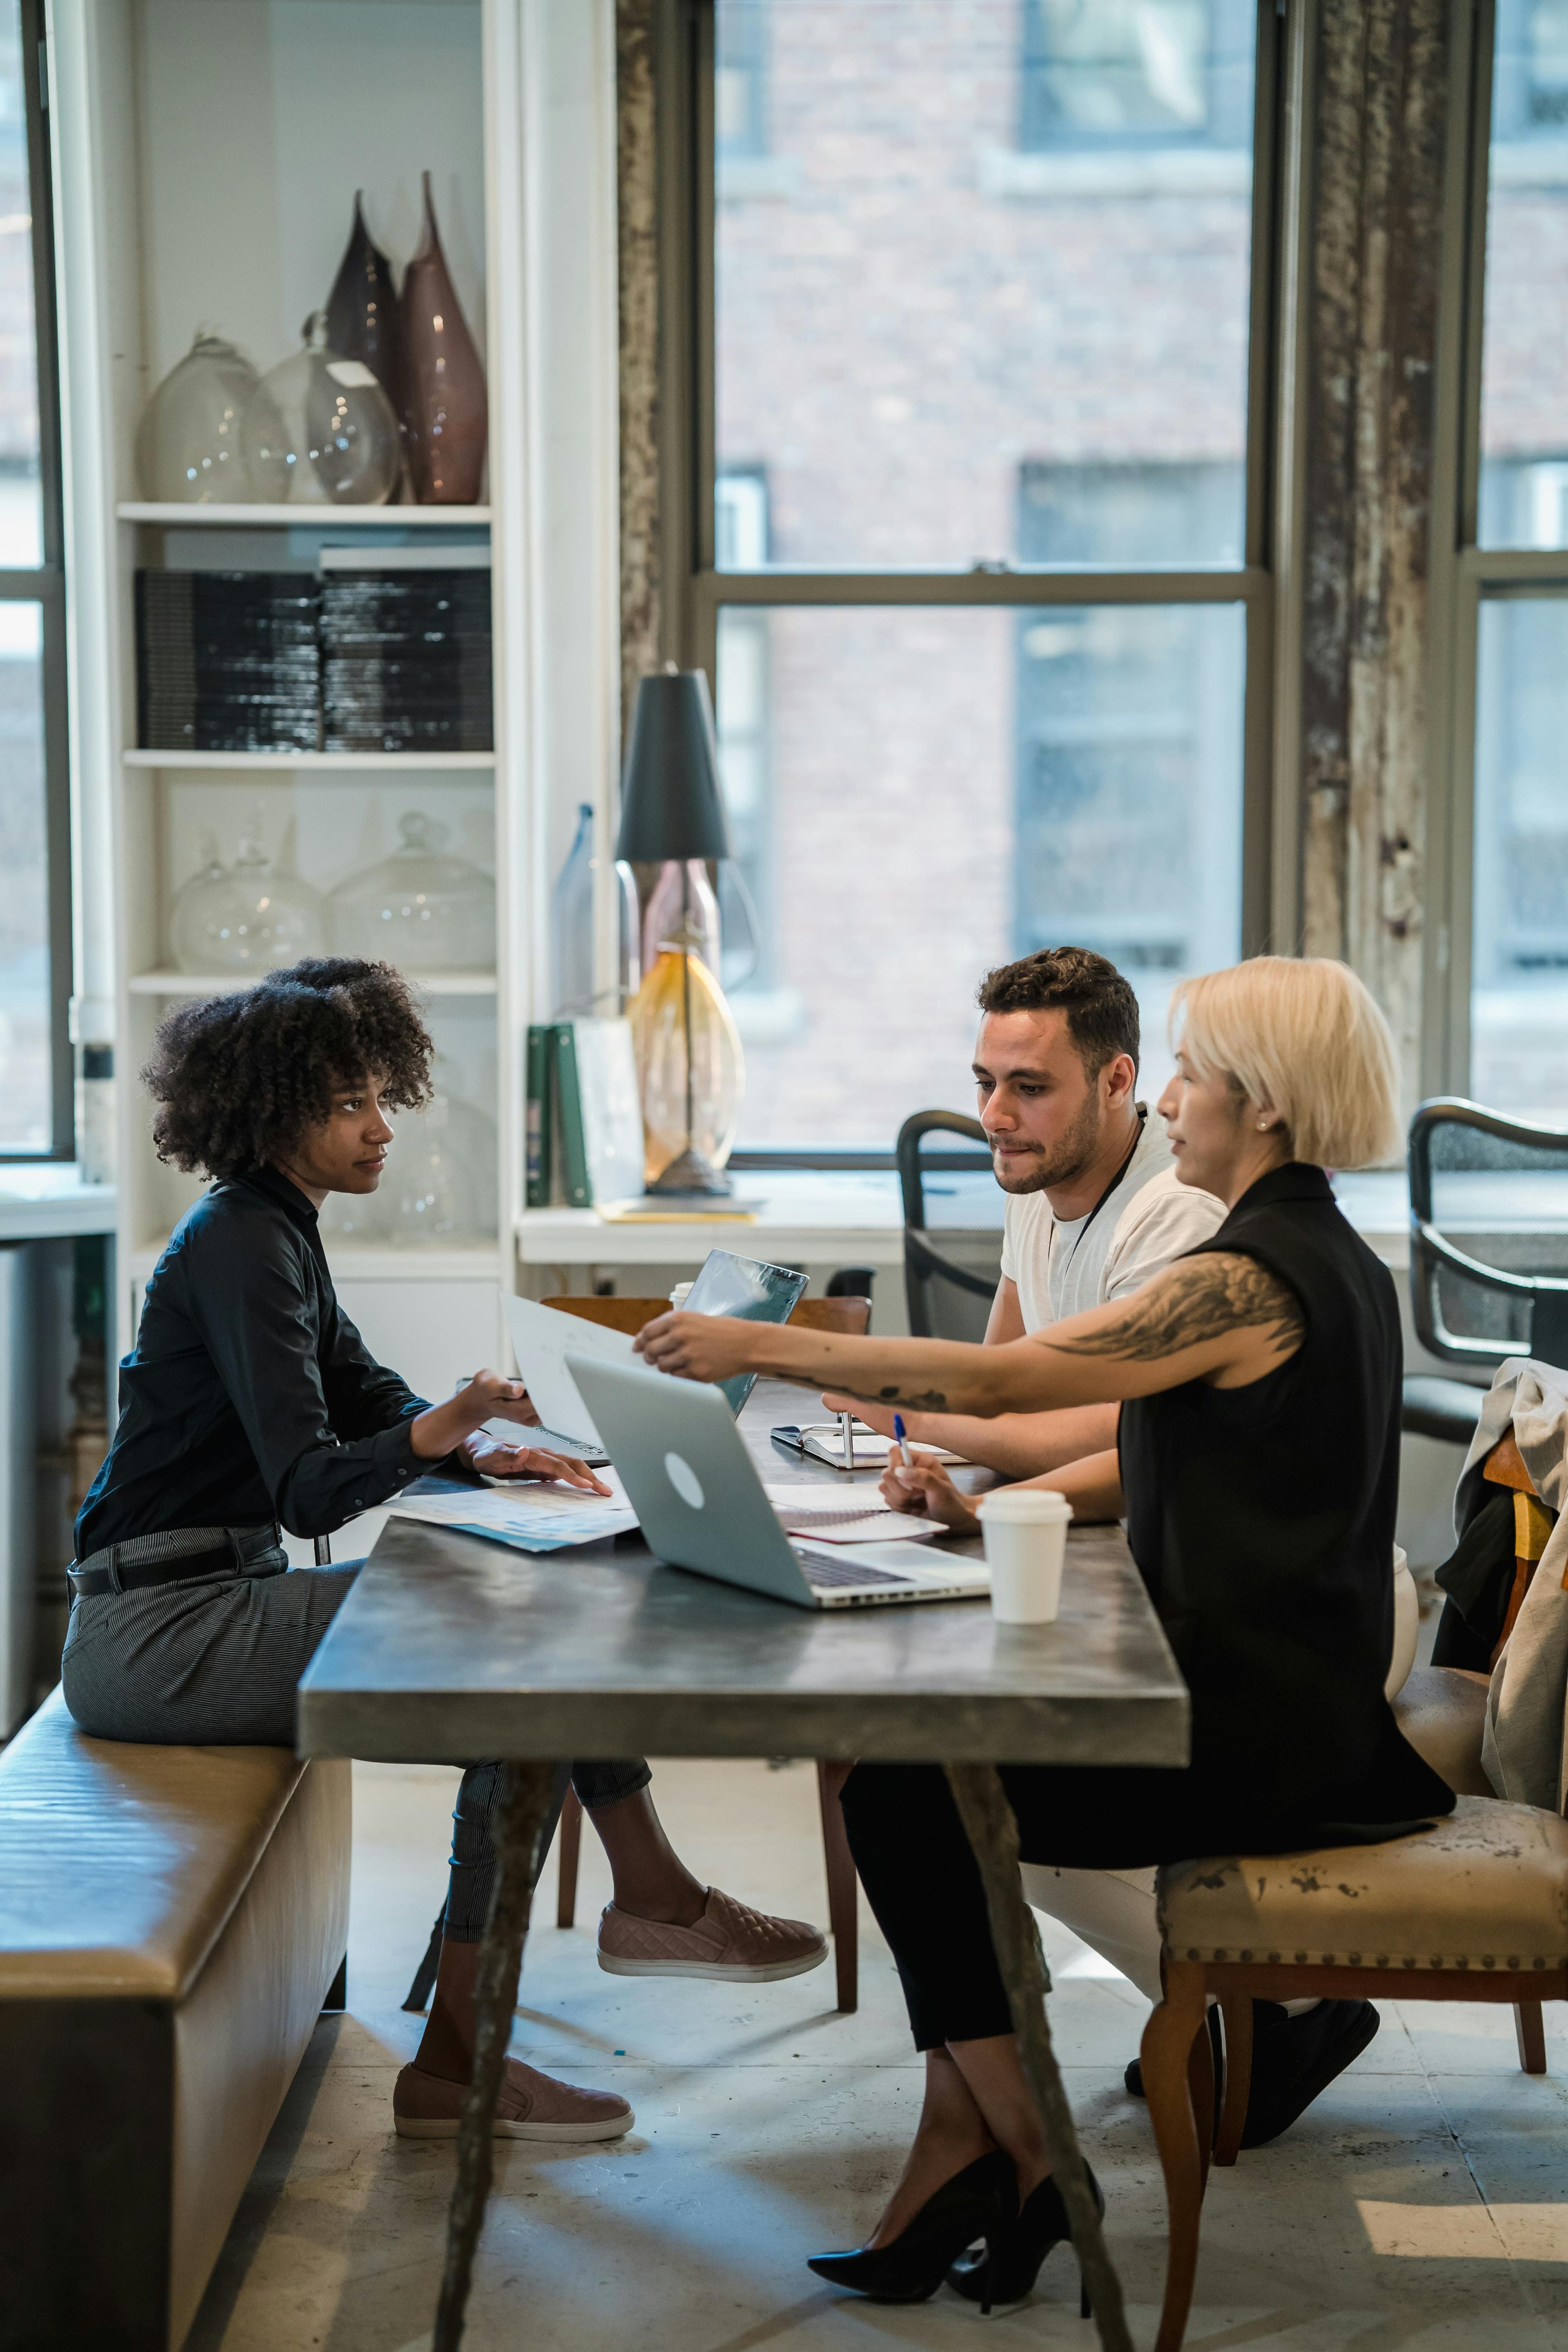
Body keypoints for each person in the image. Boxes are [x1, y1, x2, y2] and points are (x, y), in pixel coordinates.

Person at [634, 956, 1455, 2306]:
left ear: (1260, 1100)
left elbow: (1019, 1377)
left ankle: (1027, 2155)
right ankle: (970, 2149)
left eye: (1191, 1073)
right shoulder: (1319, 1250)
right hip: (1263, 1695)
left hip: (1256, 1730)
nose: (1174, 1097)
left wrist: (768, 1349)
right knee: (909, 1783)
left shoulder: (1251, 1278)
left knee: (909, 1795)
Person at [62, 960, 825, 2146]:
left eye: (383, 1097)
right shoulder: (238, 1245)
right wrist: (452, 1423)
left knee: (544, 1608)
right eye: (349, 1105)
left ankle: (637, 1912)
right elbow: (311, 1485)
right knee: (520, 1658)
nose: (381, 1129)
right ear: (274, 1112)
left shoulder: (276, 1232)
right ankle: (500, 2029)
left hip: (204, 1598)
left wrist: (484, 1453)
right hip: (160, 1634)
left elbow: (364, 1393)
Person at [821, 945, 1226, 1494]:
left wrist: (913, 1419)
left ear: (1115, 1082)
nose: (993, 1117)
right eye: (986, 1082)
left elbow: (1126, 1438)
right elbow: (996, 1390)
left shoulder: (1175, 1212)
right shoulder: (1036, 1176)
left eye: (1030, 1088)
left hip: (1157, 1548)